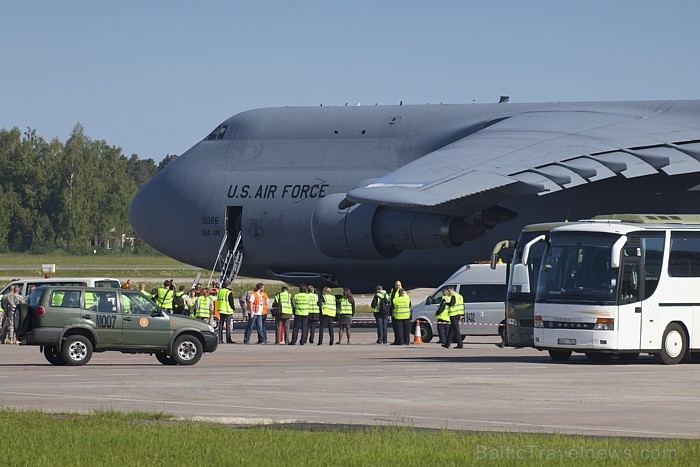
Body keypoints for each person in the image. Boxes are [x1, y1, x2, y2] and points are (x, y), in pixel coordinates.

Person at [389, 280, 403, 344]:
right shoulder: (393, 291)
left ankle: (400, 340)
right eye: (397, 285)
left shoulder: (402, 292)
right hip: (393, 311)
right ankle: (396, 340)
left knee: (399, 328)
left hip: (399, 312)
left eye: (399, 285)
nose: (398, 286)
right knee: (395, 327)